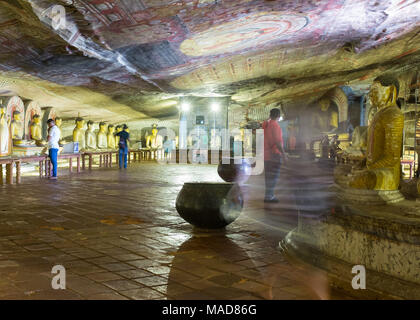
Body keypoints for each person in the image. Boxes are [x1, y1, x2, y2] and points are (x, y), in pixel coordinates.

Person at [262, 108, 287, 203]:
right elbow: (277, 141)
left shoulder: (265, 125)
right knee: (274, 176)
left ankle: (268, 195)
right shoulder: (275, 125)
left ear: (270, 115)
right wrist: (284, 155)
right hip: (274, 155)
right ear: (278, 116)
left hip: (266, 154)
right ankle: (269, 196)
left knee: (268, 176)